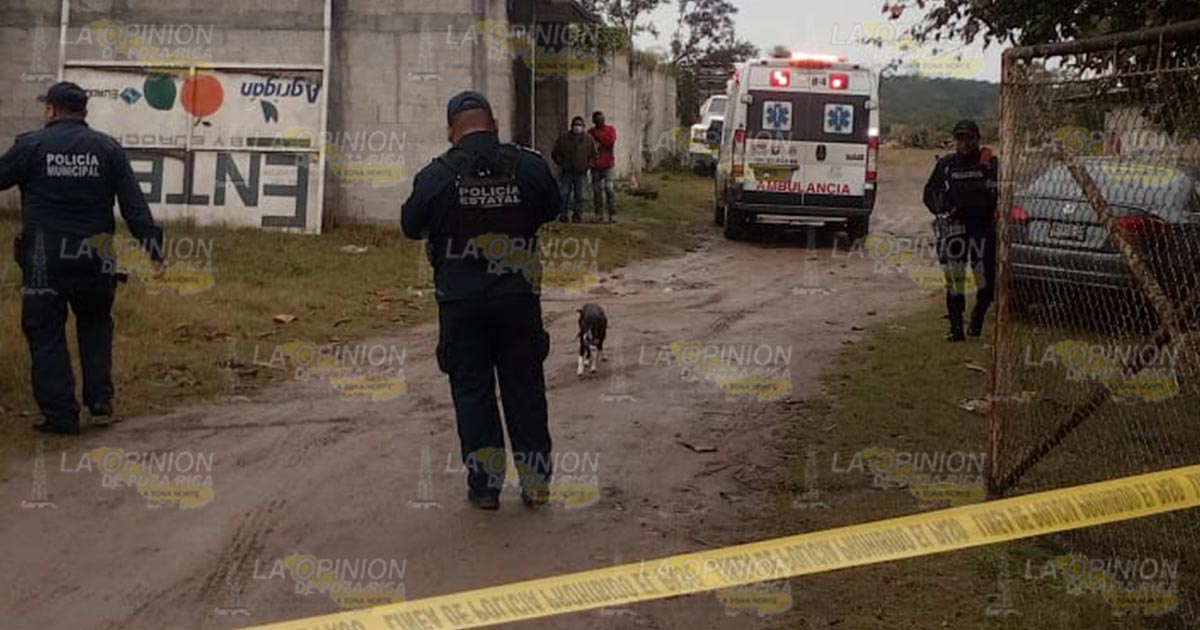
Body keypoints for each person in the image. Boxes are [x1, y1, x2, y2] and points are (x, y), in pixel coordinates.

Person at [401, 91, 562, 510]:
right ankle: (535, 482)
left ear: (451, 131)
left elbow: (410, 224)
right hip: (517, 297)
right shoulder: (527, 165)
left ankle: (486, 487)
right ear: (494, 123)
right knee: (524, 387)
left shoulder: (436, 176)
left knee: (472, 391)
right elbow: (553, 208)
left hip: (461, 301)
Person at [0, 81, 164, 434]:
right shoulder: (108, 148)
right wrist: (153, 248)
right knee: (95, 323)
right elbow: (133, 205)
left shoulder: (31, 145)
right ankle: (100, 400)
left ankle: (61, 414)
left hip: (45, 259)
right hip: (95, 256)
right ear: (85, 113)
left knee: (45, 332)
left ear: (51, 111)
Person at [923, 119, 999, 342]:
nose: (964, 144)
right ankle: (956, 329)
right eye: (960, 139)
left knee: (986, 283)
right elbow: (930, 193)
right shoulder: (946, 165)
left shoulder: (990, 164)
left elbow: (1000, 192)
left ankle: (977, 319)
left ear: (978, 139)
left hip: (983, 229)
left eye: (969, 139)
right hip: (955, 230)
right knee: (955, 281)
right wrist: (942, 210)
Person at [551, 116, 597, 224]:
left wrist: (588, 165)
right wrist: (562, 164)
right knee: (564, 194)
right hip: (567, 171)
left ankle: (577, 216)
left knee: (579, 195)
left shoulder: (588, 139)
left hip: (581, 172)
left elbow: (594, 155)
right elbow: (555, 153)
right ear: (571, 126)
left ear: (583, 127)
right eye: (575, 125)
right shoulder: (563, 138)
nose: (577, 127)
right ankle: (563, 215)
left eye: (579, 125)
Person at [587, 111, 617, 222]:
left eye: (601, 118)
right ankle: (599, 214)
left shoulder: (610, 129)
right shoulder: (590, 132)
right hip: (595, 165)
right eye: (597, 119)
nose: (600, 121)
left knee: (609, 188)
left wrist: (598, 138)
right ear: (594, 120)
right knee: (597, 190)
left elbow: (610, 140)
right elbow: (589, 145)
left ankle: (611, 213)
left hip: (608, 164)